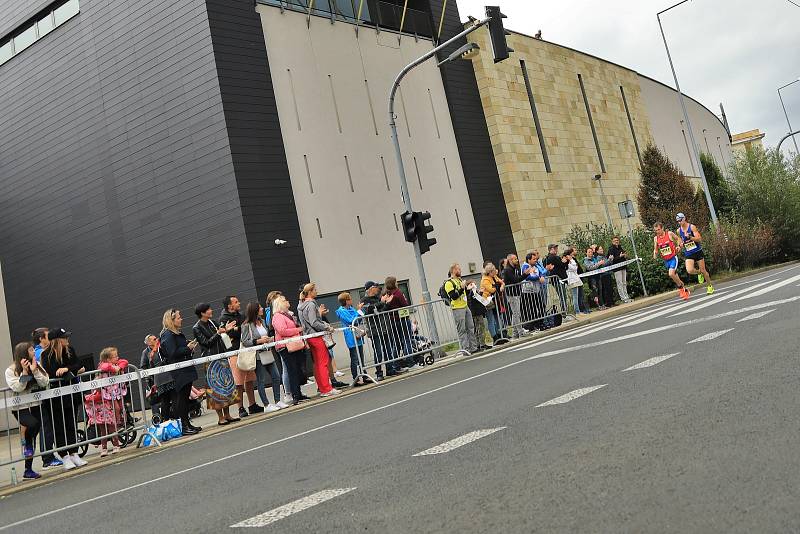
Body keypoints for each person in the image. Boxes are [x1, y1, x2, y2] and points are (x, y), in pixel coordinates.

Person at [40, 328, 87, 470]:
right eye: (64, 337)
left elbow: (78, 364)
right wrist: (65, 369)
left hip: (71, 393)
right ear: (57, 340)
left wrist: (67, 368)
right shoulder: (46, 355)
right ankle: (64, 456)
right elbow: (51, 371)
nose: (67, 339)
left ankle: (74, 453)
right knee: (59, 426)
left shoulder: (70, 350)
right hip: (55, 397)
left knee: (71, 423)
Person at [5, 342, 49, 479]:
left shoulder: (36, 364)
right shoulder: (10, 370)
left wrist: (35, 370)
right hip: (20, 407)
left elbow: (45, 381)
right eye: (31, 349)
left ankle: (28, 470)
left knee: (32, 437)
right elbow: (17, 387)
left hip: (36, 404)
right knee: (33, 424)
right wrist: (24, 372)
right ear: (24, 353)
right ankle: (27, 445)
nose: (33, 352)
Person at [192, 303, 240, 426]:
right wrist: (218, 333)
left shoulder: (212, 322)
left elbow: (222, 333)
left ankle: (228, 414)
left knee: (227, 386)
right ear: (202, 313)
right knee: (215, 388)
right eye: (208, 309)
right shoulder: (197, 328)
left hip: (222, 356)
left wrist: (226, 330)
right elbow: (206, 343)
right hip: (210, 361)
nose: (211, 310)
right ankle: (220, 417)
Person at [159, 309, 202, 435]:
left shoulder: (175, 333)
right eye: (178, 317)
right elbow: (172, 353)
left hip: (186, 368)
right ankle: (184, 426)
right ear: (171, 320)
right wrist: (186, 348)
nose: (181, 319)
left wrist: (189, 348)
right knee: (182, 398)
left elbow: (179, 349)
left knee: (185, 397)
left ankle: (187, 424)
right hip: (180, 370)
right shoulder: (167, 335)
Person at [243, 301, 290, 411]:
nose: (262, 309)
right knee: (261, 380)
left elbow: (266, 335)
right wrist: (258, 341)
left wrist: (269, 339)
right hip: (258, 355)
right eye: (260, 308)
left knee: (276, 376)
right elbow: (245, 342)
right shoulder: (246, 325)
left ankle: (278, 400)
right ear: (255, 310)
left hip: (267, 352)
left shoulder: (263, 321)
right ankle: (266, 404)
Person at [218, 295, 259, 418]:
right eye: (236, 302)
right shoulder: (223, 318)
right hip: (234, 352)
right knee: (238, 382)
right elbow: (228, 334)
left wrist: (237, 329)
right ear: (229, 306)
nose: (239, 303)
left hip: (245, 350)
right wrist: (236, 330)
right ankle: (240, 407)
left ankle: (252, 405)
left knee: (249, 379)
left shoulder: (240, 316)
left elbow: (244, 329)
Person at [297, 283, 339, 397]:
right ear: (310, 292)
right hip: (315, 335)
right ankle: (326, 388)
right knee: (323, 362)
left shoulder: (301, 304)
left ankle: (323, 388)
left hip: (309, 336)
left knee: (318, 363)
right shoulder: (311, 304)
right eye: (315, 290)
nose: (317, 291)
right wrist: (326, 326)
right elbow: (314, 322)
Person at [88, 347, 129, 457]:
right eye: (115, 356)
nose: (117, 357)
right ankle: (104, 448)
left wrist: (118, 367)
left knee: (118, 412)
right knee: (104, 427)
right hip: (105, 397)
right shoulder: (103, 366)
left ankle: (117, 441)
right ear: (107, 359)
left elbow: (125, 362)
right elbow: (105, 366)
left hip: (116, 393)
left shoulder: (118, 363)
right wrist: (113, 368)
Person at [30, 327, 59, 468]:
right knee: (46, 426)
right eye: (48, 336)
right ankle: (47, 458)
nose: (51, 339)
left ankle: (49, 456)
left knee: (48, 425)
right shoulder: (40, 353)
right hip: (43, 394)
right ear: (41, 338)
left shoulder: (39, 352)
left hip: (46, 393)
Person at [361, 281, 400, 380]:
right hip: (374, 330)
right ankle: (379, 373)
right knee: (378, 352)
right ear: (370, 289)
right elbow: (368, 310)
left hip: (384, 327)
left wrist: (387, 303)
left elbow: (382, 310)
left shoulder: (378, 298)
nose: (378, 288)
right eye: (375, 287)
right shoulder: (364, 300)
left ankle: (390, 369)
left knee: (388, 350)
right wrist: (382, 303)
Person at [272, 295, 306, 404]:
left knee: (296, 368)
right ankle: (295, 394)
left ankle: (298, 393)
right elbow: (282, 331)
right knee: (292, 370)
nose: (288, 301)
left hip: (292, 344)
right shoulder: (277, 316)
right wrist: (297, 330)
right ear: (280, 303)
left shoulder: (287, 315)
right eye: (285, 300)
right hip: (285, 346)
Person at [443, 264, 478, 353]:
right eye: (458, 269)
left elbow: (463, 292)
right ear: (453, 271)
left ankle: (473, 347)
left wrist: (469, 288)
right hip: (457, 308)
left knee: (470, 327)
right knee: (462, 329)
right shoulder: (449, 283)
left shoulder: (459, 280)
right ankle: (465, 349)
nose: (460, 270)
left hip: (465, 306)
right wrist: (462, 288)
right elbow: (453, 296)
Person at [676, 212, 714, 295]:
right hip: (689, 252)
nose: (679, 222)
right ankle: (698, 273)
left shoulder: (692, 227)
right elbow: (680, 241)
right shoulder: (679, 231)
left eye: (680, 220)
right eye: (678, 221)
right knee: (689, 270)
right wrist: (679, 246)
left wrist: (690, 237)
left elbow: (699, 239)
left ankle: (710, 286)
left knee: (704, 271)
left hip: (697, 251)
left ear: (684, 218)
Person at [335, 292, 367, 386]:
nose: (351, 300)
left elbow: (357, 320)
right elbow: (351, 321)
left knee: (361, 357)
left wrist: (359, 312)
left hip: (357, 335)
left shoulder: (351, 309)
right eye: (349, 299)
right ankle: (355, 378)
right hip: (351, 336)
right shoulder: (341, 311)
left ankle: (364, 376)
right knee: (354, 358)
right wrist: (359, 311)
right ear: (346, 301)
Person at [653, 221, 690, 300]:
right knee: (676, 277)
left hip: (673, 258)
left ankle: (680, 289)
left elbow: (678, 239)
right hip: (666, 260)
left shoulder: (669, 234)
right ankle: (685, 290)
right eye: (656, 230)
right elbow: (656, 249)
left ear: (662, 228)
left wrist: (678, 246)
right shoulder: (656, 238)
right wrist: (655, 255)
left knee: (671, 274)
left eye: (658, 230)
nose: (657, 232)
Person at [502, 254, 527, 338]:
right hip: (512, 294)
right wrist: (525, 274)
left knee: (515, 313)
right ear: (510, 260)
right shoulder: (508, 270)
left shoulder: (514, 269)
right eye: (515, 259)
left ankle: (515, 332)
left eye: (516, 258)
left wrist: (524, 275)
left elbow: (517, 279)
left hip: (516, 293)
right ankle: (520, 332)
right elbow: (515, 280)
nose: (517, 260)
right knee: (516, 314)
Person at [480, 263, 504, 343]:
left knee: (497, 317)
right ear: (490, 272)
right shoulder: (485, 279)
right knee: (491, 319)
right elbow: (492, 289)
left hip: (495, 300)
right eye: (494, 270)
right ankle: (494, 337)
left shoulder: (493, 277)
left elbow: (501, 282)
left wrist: (500, 285)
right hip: (487, 301)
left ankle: (500, 334)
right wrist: (498, 285)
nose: (495, 271)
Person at [564, 248, 590, 314]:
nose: (571, 256)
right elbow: (575, 268)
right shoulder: (567, 264)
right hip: (573, 281)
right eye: (569, 255)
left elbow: (576, 267)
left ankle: (580, 310)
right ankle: (577, 311)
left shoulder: (570, 262)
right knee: (575, 297)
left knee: (580, 295)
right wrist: (571, 260)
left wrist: (572, 260)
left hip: (576, 279)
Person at [607, 236, 632, 303]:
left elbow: (624, 254)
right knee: (619, 283)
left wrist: (625, 256)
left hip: (623, 266)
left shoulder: (620, 247)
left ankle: (626, 296)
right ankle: (623, 298)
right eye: (615, 240)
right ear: (612, 242)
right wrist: (619, 256)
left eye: (617, 240)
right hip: (617, 268)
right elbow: (611, 260)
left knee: (624, 282)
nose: (616, 241)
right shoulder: (611, 249)